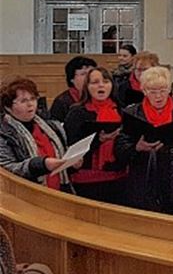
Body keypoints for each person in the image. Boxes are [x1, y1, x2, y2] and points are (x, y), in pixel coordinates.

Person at [115, 66, 173, 216]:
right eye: (152, 92)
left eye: (162, 90)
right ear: (144, 91)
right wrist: (137, 147)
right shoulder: (132, 112)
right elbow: (120, 148)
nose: (158, 96)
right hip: (145, 178)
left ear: (170, 89)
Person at [63, 67, 128, 204]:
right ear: (87, 87)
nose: (101, 85)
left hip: (119, 177)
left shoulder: (122, 111)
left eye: (105, 81)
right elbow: (71, 148)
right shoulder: (77, 113)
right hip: (86, 179)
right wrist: (99, 140)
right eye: (95, 82)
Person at [0, 77, 75, 191]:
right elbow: (8, 170)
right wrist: (41, 165)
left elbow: (61, 160)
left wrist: (73, 163)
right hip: (28, 195)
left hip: (61, 191)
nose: (30, 104)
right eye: (23, 101)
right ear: (8, 107)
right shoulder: (4, 133)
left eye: (33, 99)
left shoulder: (52, 127)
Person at [48, 56, 97, 122]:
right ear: (72, 79)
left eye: (92, 73)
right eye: (83, 74)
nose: (89, 77)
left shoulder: (103, 96)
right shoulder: (62, 101)